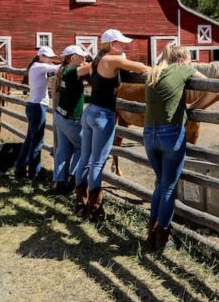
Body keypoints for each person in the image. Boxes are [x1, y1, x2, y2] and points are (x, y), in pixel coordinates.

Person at [143, 44, 218, 250]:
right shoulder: (183, 69)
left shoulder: (153, 73)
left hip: (149, 133)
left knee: (160, 183)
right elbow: (214, 86)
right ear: (182, 58)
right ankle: (162, 237)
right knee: (168, 186)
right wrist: (195, 106)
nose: (191, 63)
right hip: (170, 133)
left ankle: (152, 230)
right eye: (189, 59)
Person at [74, 29, 150, 221]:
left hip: (90, 111)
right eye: (121, 43)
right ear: (111, 44)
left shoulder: (96, 62)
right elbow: (141, 67)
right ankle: (95, 208)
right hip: (103, 115)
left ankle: (80, 201)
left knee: (85, 157)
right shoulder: (113, 60)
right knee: (98, 162)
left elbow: (77, 72)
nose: (124, 46)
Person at [15, 46, 60, 182]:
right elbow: (57, 68)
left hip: (34, 105)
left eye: (52, 58)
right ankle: (34, 173)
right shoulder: (39, 67)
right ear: (41, 57)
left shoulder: (36, 66)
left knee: (30, 139)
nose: (51, 60)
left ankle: (21, 169)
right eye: (49, 57)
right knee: (37, 141)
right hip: (38, 106)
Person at [51, 45, 90, 195]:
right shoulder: (73, 70)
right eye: (82, 56)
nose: (85, 58)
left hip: (60, 115)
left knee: (63, 149)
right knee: (83, 148)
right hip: (71, 118)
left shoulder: (63, 70)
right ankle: (73, 180)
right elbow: (95, 66)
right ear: (73, 57)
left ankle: (59, 182)